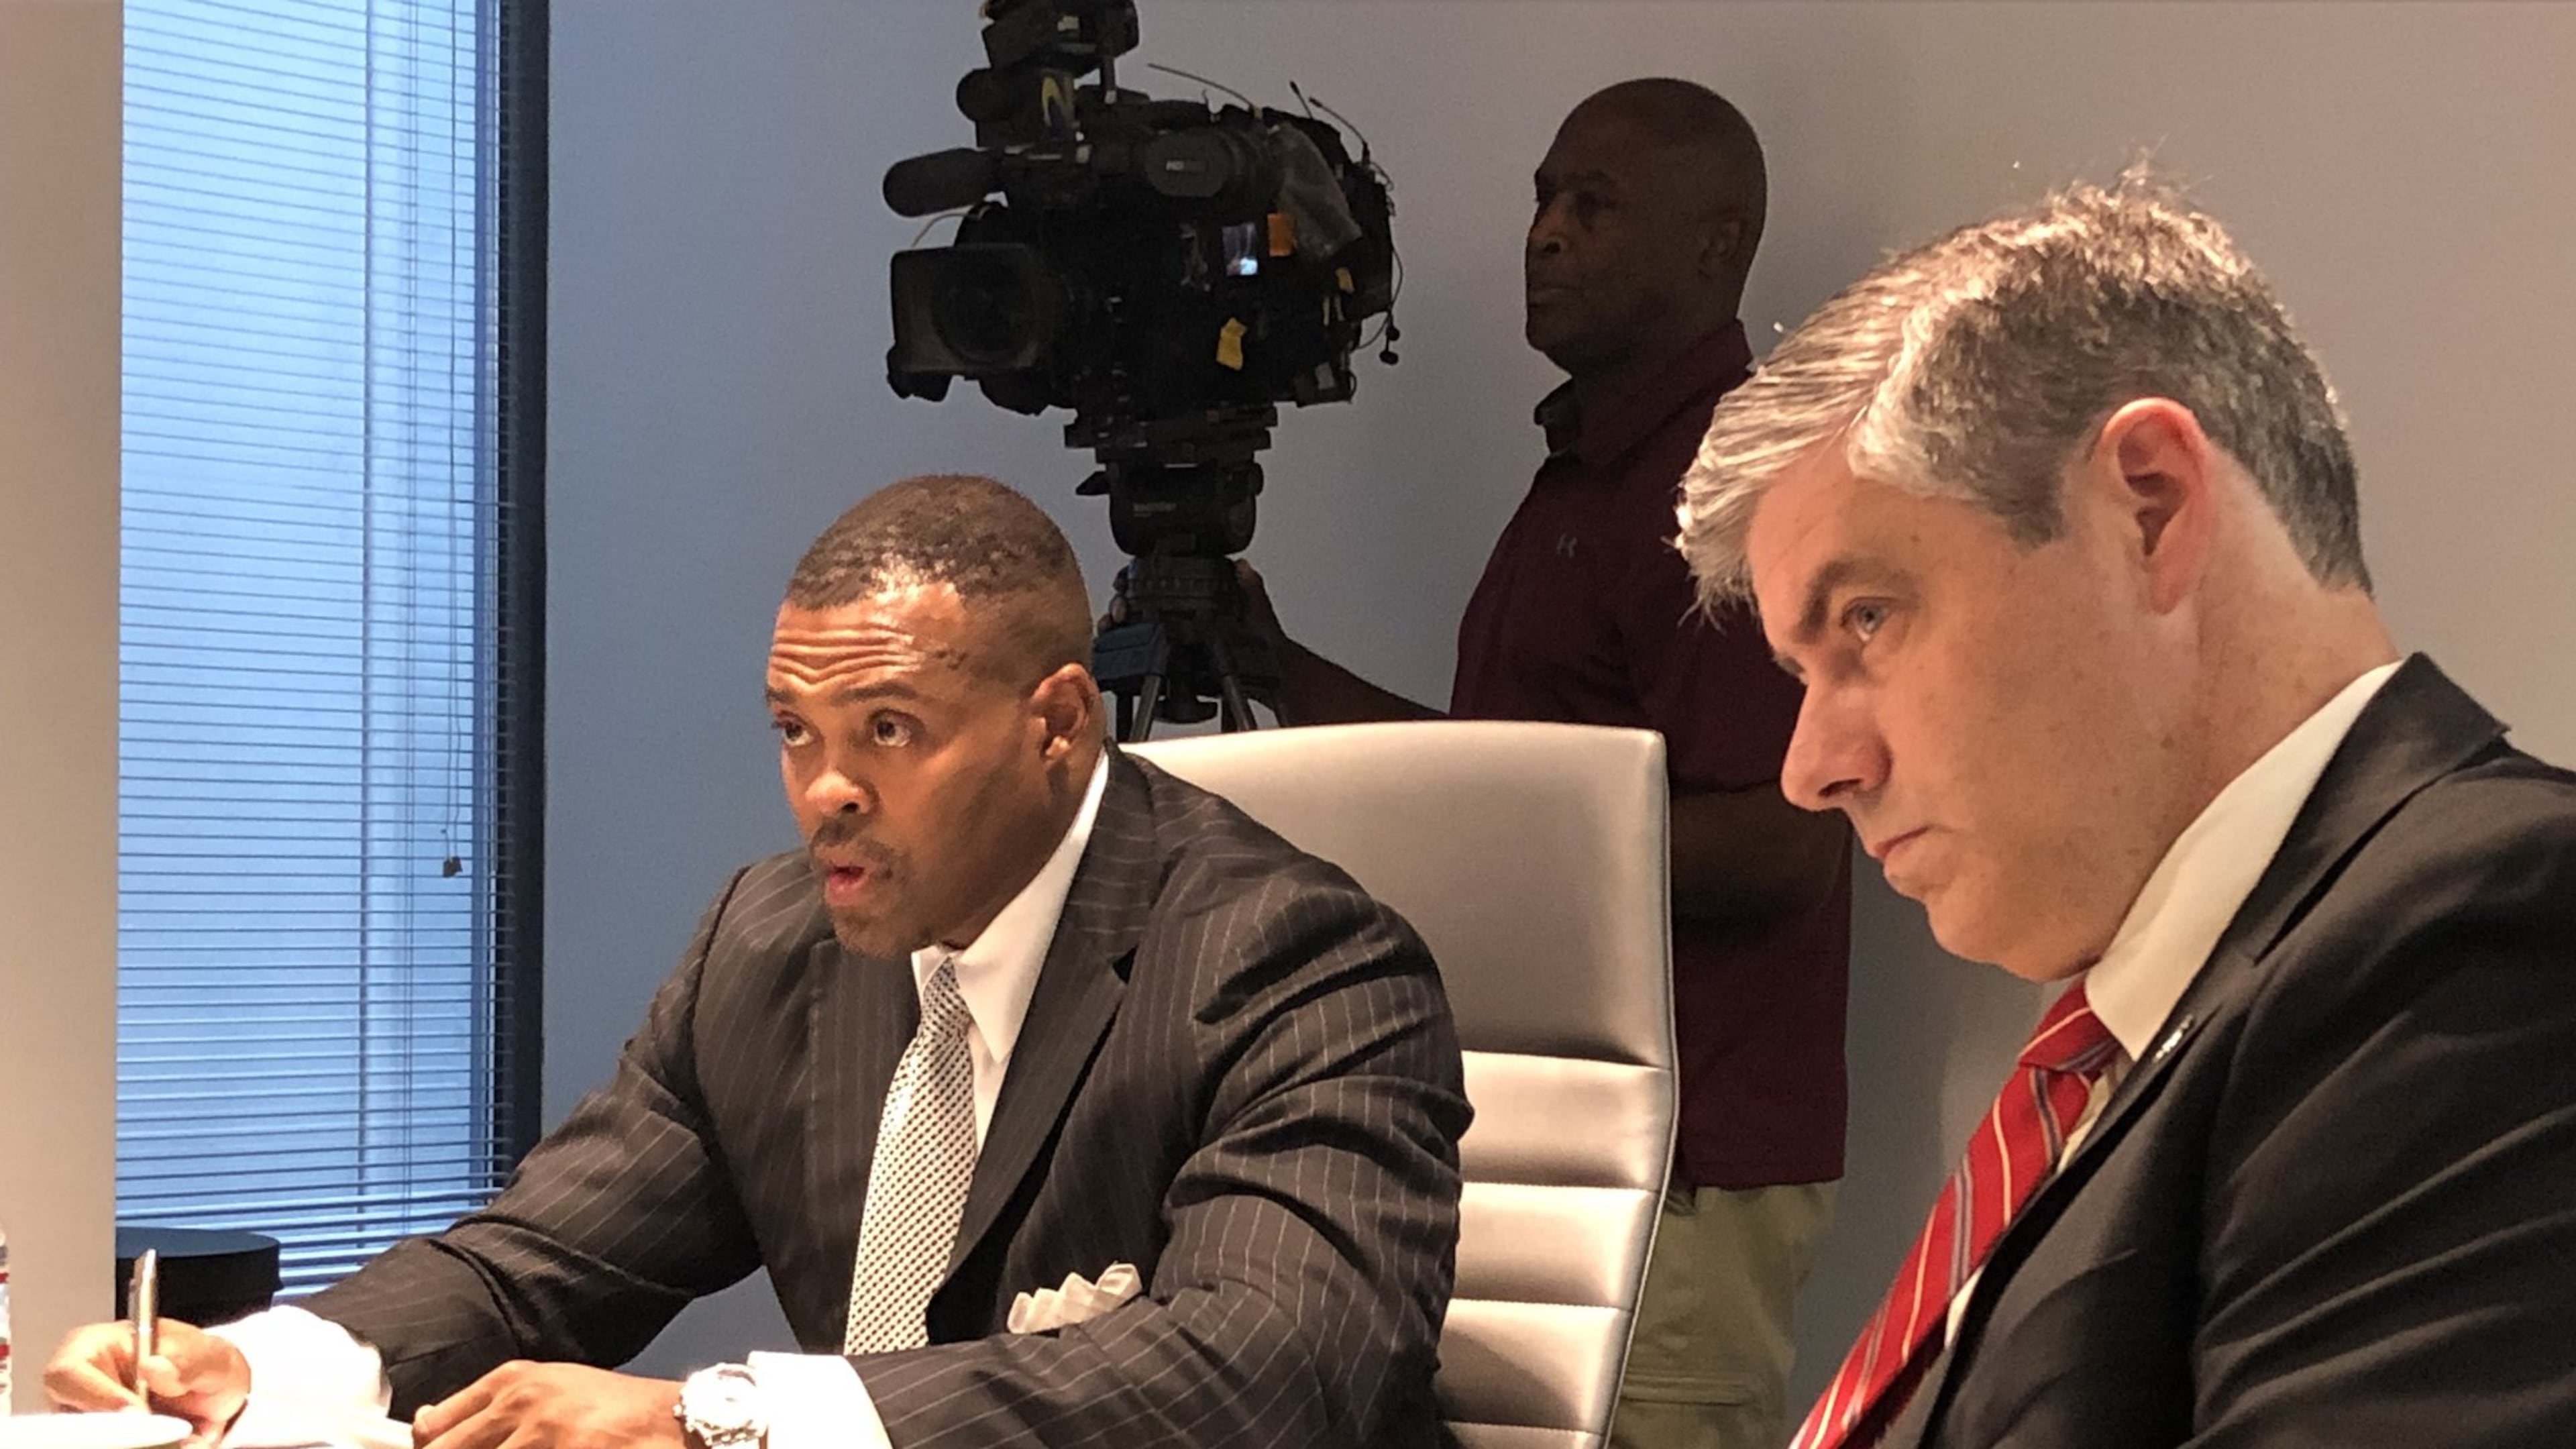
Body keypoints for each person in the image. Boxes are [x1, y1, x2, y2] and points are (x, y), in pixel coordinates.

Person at [48, 474, 1472, 1449]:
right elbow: (541, 1264)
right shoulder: (773, 940)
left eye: (888, 732)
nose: (824, 793)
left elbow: (1272, 1366)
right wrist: (265, 1362)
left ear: (1056, 723)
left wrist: (713, 1420)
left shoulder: (1293, 961)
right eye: (796, 732)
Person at [1676, 178, 2576, 1448]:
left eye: (1867, 620)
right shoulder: (2168, 1021)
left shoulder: (2490, 942)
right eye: (1801, 671)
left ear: (2148, 510)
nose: (1811, 767)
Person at [1243, 78, 1851, 1449]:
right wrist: (1278, 672)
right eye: (1541, 199)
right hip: (1519, 1139)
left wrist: (1489, 848)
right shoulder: (1587, 474)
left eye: (1594, 204)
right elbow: (1512, 789)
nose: (1546, 233)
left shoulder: (1725, 488)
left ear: (1717, 242)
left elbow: (1783, 844)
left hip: (1674, 1174)